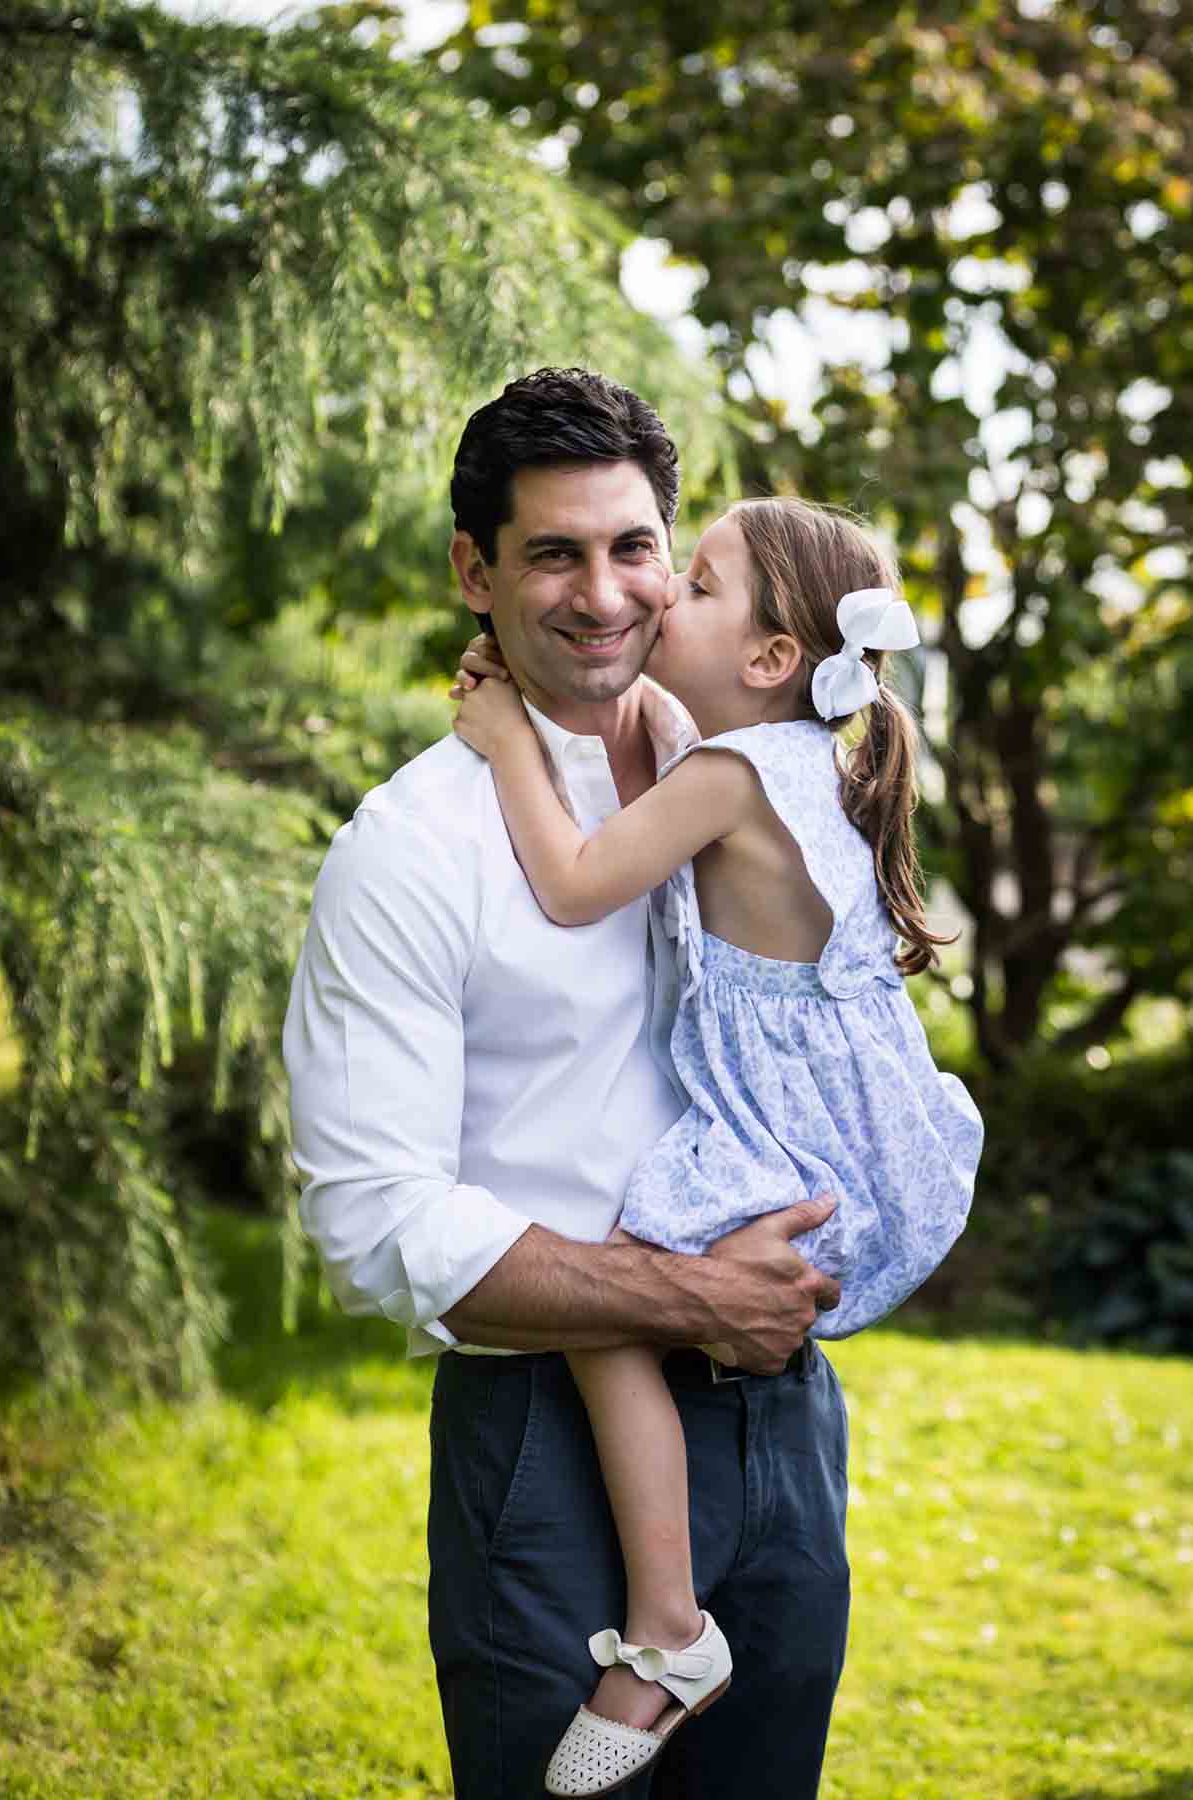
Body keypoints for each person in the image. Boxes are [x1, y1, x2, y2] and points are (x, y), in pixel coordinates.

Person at [284, 368, 852, 1800]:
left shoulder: (726, 769)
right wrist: (681, 1294)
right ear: (474, 571)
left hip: (777, 1414)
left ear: (675, 558)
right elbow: (374, 1218)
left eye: (633, 548)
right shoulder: (414, 850)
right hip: (547, 1439)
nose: (602, 594)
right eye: (552, 553)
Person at [451, 494, 984, 1795]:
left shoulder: (727, 775)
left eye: (691, 583)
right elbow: (652, 728)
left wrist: (504, 734)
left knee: (600, 1280)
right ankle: (676, 1624)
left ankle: (670, 1628)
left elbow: (576, 878)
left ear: (767, 661)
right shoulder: (801, 760)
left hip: (788, 1157)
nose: (655, 598)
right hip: (862, 1146)